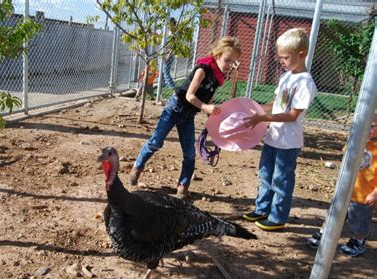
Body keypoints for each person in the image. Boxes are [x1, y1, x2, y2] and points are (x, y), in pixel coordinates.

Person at [128, 36, 242, 198]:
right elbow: (190, 96)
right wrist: (205, 107)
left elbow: (208, 98)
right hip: (174, 109)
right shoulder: (202, 70)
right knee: (156, 142)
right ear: (217, 56)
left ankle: (183, 186)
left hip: (189, 115)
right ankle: (137, 167)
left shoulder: (218, 78)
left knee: (189, 153)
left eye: (233, 62)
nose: (230, 65)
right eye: (228, 60)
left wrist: (212, 119)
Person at [242, 28, 317, 230]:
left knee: (281, 179)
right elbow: (276, 104)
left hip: (288, 141)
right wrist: (254, 108)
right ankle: (262, 208)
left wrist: (262, 118)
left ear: (301, 54)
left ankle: (277, 217)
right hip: (273, 137)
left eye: (285, 57)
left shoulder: (305, 82)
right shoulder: (286, 77)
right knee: (265, 174)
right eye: (280, 57)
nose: (281, 61)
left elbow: (293, 115)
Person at [307, 117, 377, 256]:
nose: (368, 129)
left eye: (372, 126)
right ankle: (324, 232)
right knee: (333, 213)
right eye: (366, 125)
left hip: (363, 195)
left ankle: (358, 241)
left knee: (359, 220)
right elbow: (346, 151)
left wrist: (375, 193)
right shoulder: (361, 141)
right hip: (346, 189)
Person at [162, 17, 177, 89]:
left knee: (166, 73)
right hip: (165, 53)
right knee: (163, 71)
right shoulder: (168, 32)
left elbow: (173, 46)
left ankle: (173, 88)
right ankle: (162, 86)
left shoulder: (172, 33)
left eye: (168, 23)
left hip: (169, 54)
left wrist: (168, 55)